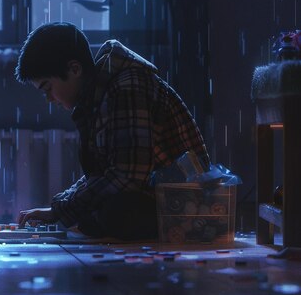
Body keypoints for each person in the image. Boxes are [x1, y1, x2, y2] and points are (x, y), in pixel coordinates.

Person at [14, 22, 209, 240]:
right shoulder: (101, 95)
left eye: (48, 88)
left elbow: (127, 176)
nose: (49, 99)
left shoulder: (127, 87)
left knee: (118, 210)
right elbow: (106, 173)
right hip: (157, 197)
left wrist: (62, 210)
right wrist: (60, 207)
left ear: (75, 69)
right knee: (98, 207)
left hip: (187, 208)